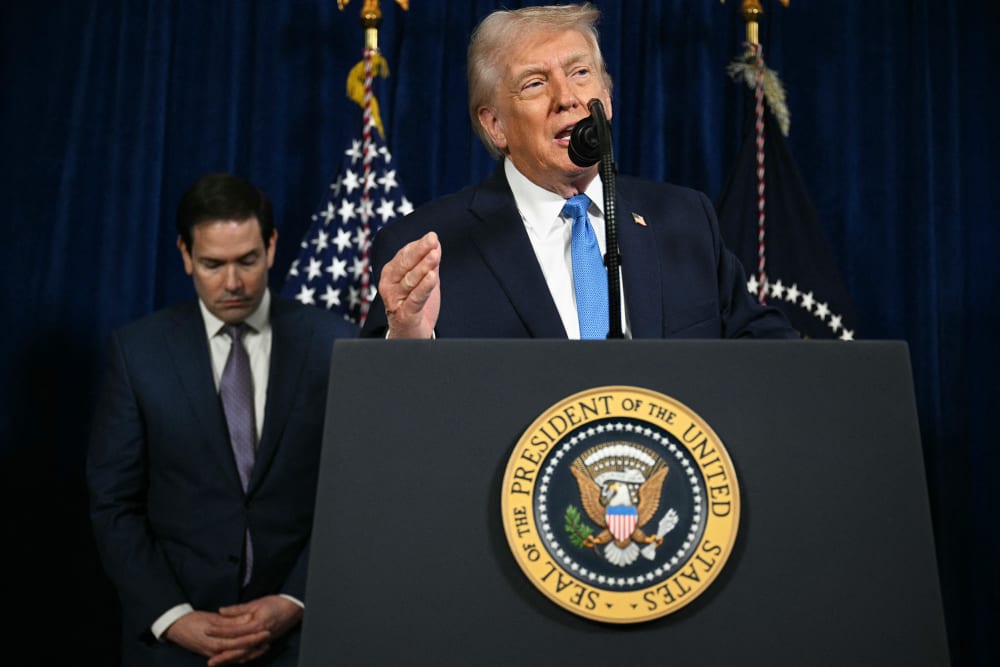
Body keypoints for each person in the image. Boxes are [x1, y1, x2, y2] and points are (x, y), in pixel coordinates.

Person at [361, 3, 797, 341]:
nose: (566, 97)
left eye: (581, 73)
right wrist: (408, 339)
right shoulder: (429, 249)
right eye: (535, 83)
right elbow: (384, 417)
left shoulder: (684, 220)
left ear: (606, 99)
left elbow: (763, 350)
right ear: (495, 125)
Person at [87, 173, 356, 666]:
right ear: (185, 255)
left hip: (302, 640)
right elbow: (113, 505)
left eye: (247, 261)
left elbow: (355, 492)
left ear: (271, 247)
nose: (232, 283)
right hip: (174, 645)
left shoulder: (334, 343)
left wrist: (295, 600)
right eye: (212, 264)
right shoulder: (137, 353)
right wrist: (173, 616)